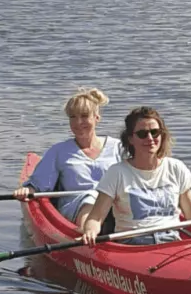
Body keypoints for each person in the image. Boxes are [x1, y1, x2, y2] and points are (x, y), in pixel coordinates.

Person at [80, 107, 191, 245]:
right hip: (133, 242)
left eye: (155, 132)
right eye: (142, 134)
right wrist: (90, 232)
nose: (150, 138)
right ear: (130, 139)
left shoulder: (176, 167)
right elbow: (96, 217)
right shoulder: (116, 173)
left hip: (171, 241)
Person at [13, 88, 123, 221]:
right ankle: (86, 236)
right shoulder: (58, 151)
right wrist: (28, 190)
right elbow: (38, 184)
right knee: (91, 198)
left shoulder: (118, 147)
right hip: (77, 206)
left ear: (97, 118)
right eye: (73, 117)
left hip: (114, 204)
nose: (78, 122)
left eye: (84, 116)